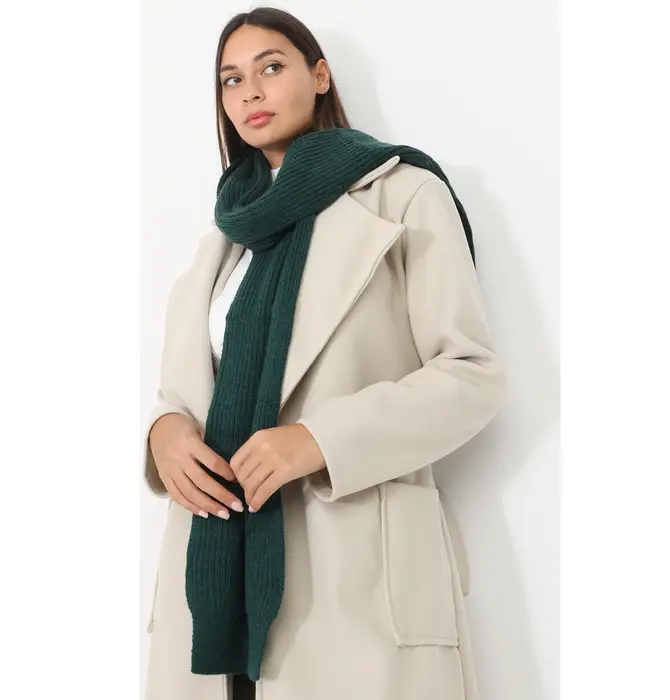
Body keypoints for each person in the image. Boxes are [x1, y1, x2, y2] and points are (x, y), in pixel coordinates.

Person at [143, 6, 506, 700]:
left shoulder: (403, 195)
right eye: (230, 79)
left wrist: (320, 440)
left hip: (353, 574)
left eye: (271, 67)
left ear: (319, 76)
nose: (250, 91)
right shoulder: (225, 237)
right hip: (214, 575)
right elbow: (186, 388)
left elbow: (472, 374)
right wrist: (164, 433)